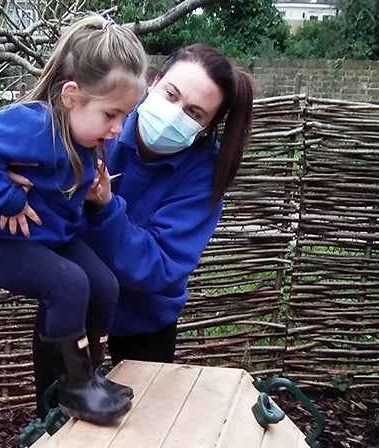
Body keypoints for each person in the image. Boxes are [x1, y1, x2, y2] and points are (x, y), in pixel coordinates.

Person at [32, 43, 254, 414]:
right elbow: (29, 146)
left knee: (140, 435)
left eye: (194, 113)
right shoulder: (104, 120)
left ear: (206, 128)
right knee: (54, 420)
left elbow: (161, 267)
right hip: (72, 307)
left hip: (144, 323)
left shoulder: (204, 176)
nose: (174, 114)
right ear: (153, 81)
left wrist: (105, 207)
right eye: (171, 94)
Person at [0, 16, 147, 424]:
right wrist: (4, 198)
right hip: (6, 246)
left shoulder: (82, 137)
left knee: (106, 286)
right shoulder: (36, 124)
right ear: (72, 95)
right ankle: (74, 387)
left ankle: (90, 374)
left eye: (124, 117)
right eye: (111, 115)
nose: (118, 129)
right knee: (70, 284)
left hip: (51, 240)